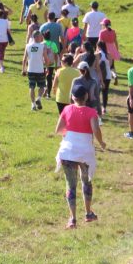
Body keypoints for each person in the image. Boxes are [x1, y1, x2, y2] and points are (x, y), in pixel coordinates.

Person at [54, 85, 106, 227]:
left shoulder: (66, 109)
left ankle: (72, 218)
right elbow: (96, 129)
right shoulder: (91, 112)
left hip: (67, 151)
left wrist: (69, 134)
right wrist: (101, 142)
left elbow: (58, 130)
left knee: (70, 185)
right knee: (86, 181)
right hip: (85, 152)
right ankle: (88, 213)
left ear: (72, 97)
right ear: (87, 97)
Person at [22, 30, 50, 111]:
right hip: (40, 70)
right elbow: (46, 58)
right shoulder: (42, 46)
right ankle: (39, 98)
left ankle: (33, 104)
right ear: (36, 37)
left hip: (30, 70)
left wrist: (23, 69)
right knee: (42, 86)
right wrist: (47, 67)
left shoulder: (28, 46)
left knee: (31, 87)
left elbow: (24, 59)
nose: (42, 37)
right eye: (40, 36)